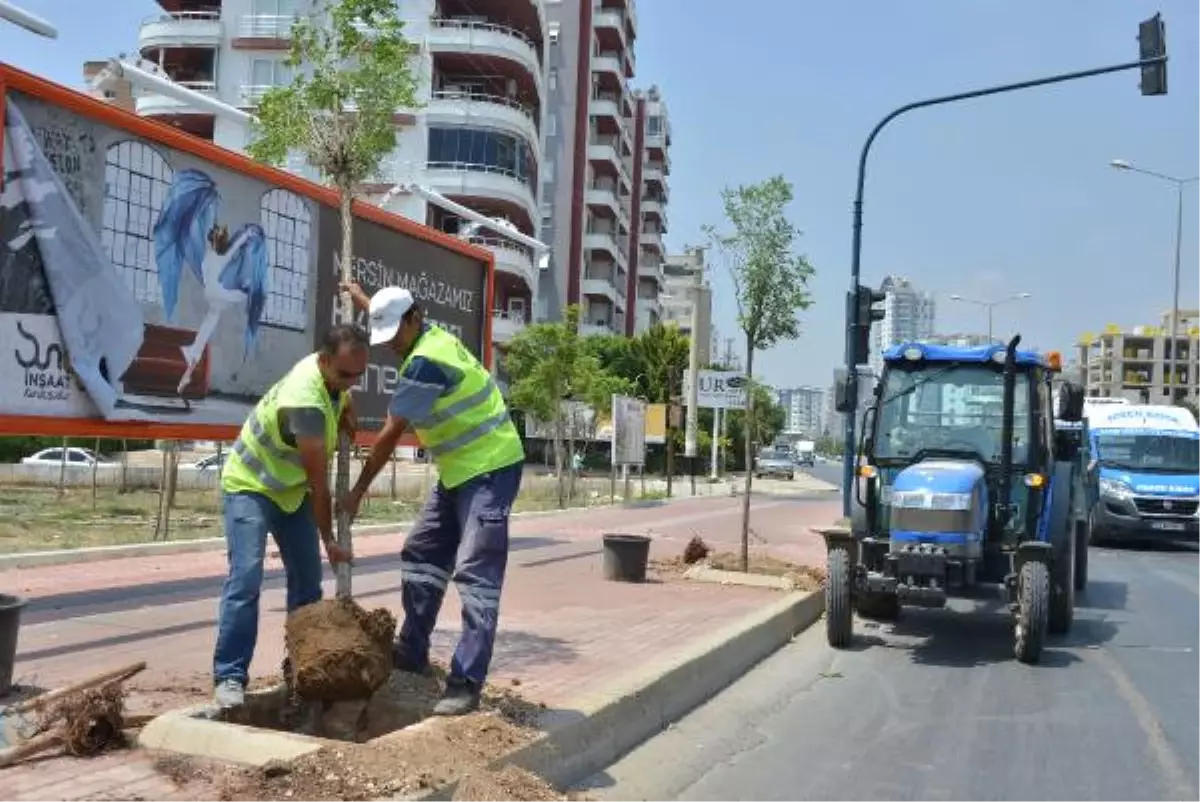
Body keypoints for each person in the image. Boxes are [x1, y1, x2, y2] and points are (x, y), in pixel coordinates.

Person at [340, 282, 525, 716]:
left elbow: (389, 436)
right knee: (421, 552)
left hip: (491, 468)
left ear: (415, 319)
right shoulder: (424, 334)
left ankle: (465, 681)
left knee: (477, 573)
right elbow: (395, 318)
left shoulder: (426, 362)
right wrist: (366, 301)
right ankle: (413, 651)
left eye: (394, 336)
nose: (390, 348)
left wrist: (355, 493)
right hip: (460, 469)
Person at [211, 324, 368, 710]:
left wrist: (346, 402)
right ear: (324, 361)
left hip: (290, 490)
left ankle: (303, 673)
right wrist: (330, 540)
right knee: (246, 577)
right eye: (345, 376)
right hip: (252, 485)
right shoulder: (305, 402)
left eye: (359, 376)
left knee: (308, 587)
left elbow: (339, 394)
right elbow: (319, 484)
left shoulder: (333, 382)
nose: (351, 382)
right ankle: (230, 675)